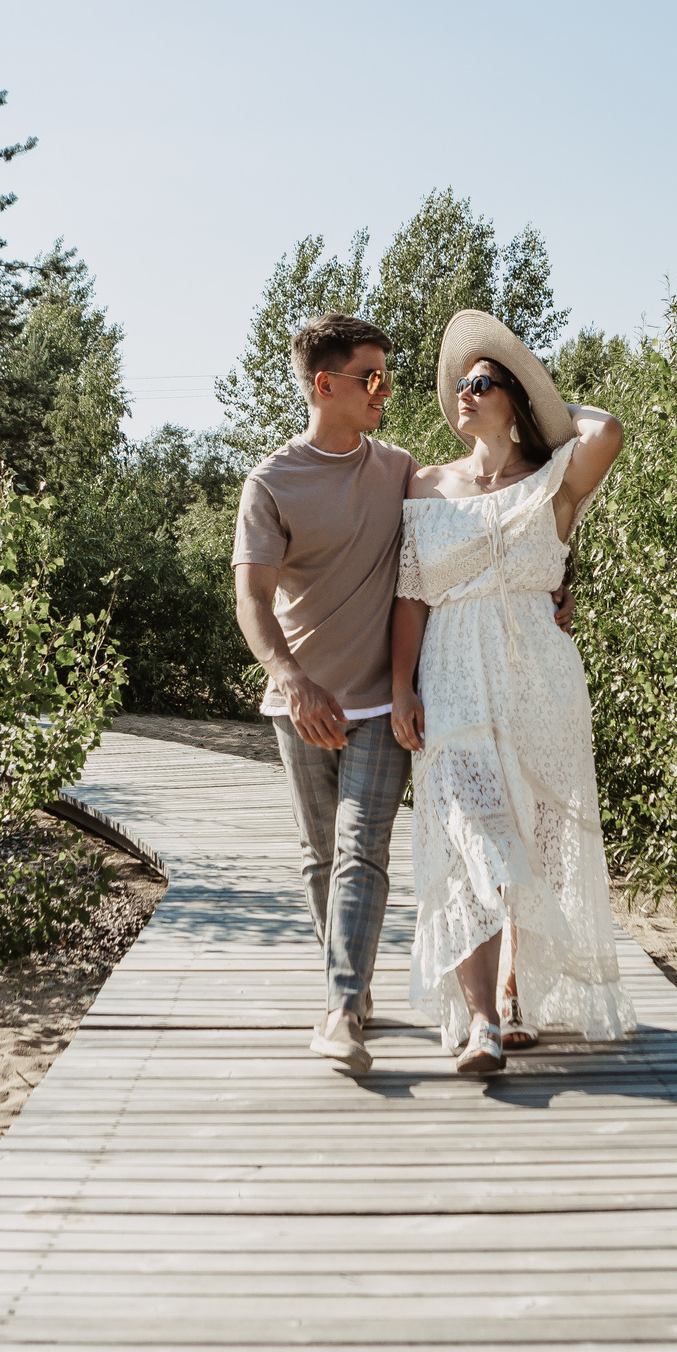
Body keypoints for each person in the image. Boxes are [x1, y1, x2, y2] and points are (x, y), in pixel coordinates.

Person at [389, 309, 637, 1074]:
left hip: (540, 677)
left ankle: (517, 996)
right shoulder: (425, 485)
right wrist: (400, 684)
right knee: (473, 839)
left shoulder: (553, 483)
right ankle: (482, 1022)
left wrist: (540, 397)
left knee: (534, 840)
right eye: (461, 382)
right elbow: (411, 597)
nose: (464, 392)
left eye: (482, 381)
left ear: (515, 397)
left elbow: (607, 429)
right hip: (455, 673)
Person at [231, 314, 415, 1073]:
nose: (384, 390)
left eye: (385, 375)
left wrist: (554, 589)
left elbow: (479, 518)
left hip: (378, 700)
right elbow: (251, 599)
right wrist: (291, 678)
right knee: (319, 857)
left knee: (360, 849)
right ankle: (352, 983)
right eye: (371, 376)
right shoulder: (271, 483)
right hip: (301, 703)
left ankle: (341, 1007)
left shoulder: (401, 469)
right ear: (325, 385)